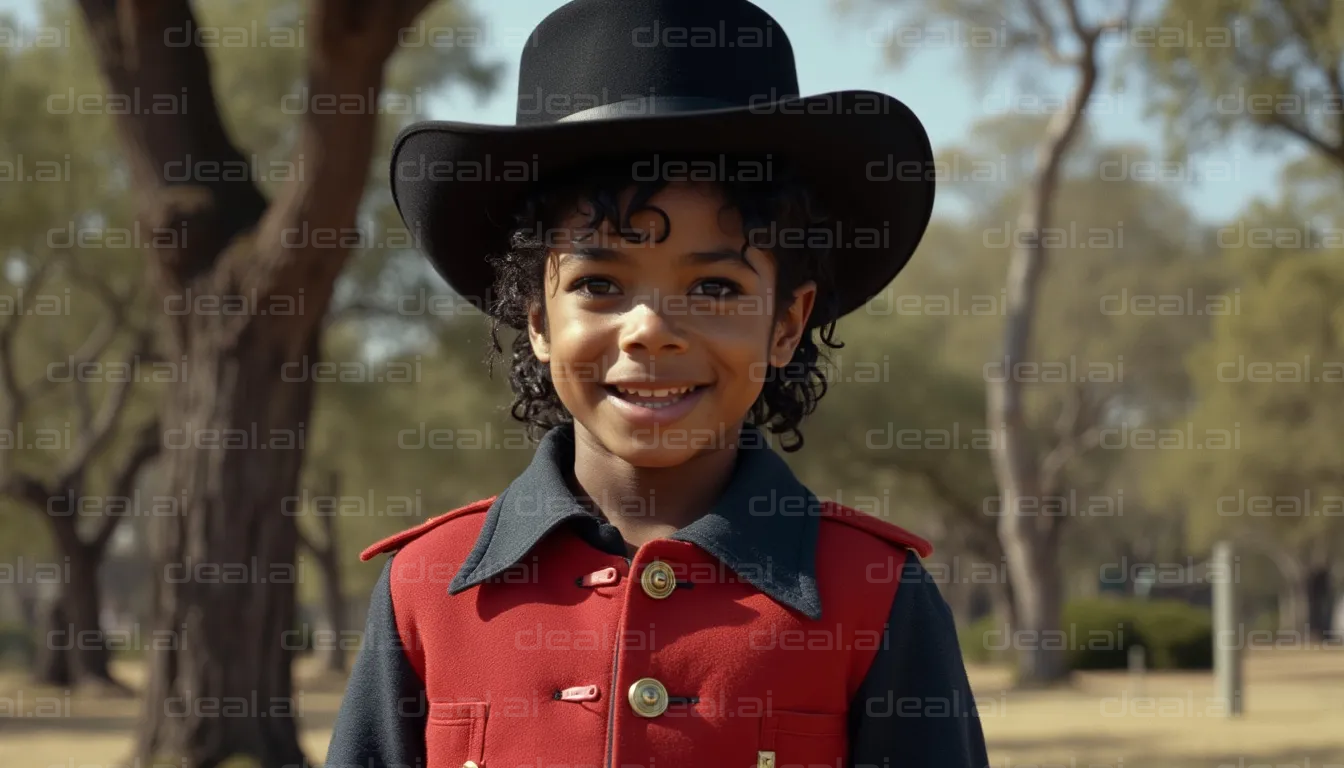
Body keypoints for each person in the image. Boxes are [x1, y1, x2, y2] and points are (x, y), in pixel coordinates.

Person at [326, 0, 990, 766]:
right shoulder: (428, 589)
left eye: (714, 289)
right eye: (600, 284)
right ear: (536, 319)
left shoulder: (874, 594)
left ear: (785, 323)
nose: (650, 329)